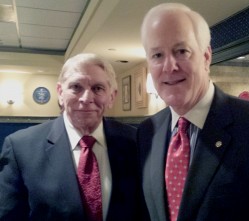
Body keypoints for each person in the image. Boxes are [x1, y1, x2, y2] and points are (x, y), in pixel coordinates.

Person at [137, 3, 249, 221]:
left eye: (181, 51)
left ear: (206, 57)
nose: (169, 66)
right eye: (157, 55)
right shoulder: (148, 131)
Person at [0, 53, 144, 221]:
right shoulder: (20, 147)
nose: (86, 98)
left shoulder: (136, 142)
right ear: (60, 93)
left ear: (111, 96)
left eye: (98, 88)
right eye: (76, 87)